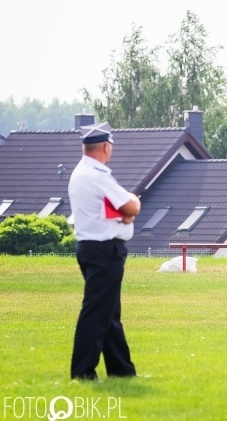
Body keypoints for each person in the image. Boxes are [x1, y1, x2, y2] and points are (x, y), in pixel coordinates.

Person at [68, 122, 141, 380]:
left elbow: (113, 209)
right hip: (104, 249)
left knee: (109, 312)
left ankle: (121, 370)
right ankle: (82, 371)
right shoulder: (97, 174)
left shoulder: (80, 173)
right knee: (97, 312)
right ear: (106, 147)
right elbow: (131, 207)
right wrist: (131, 208)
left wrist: (125, 213)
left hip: (90, 246)